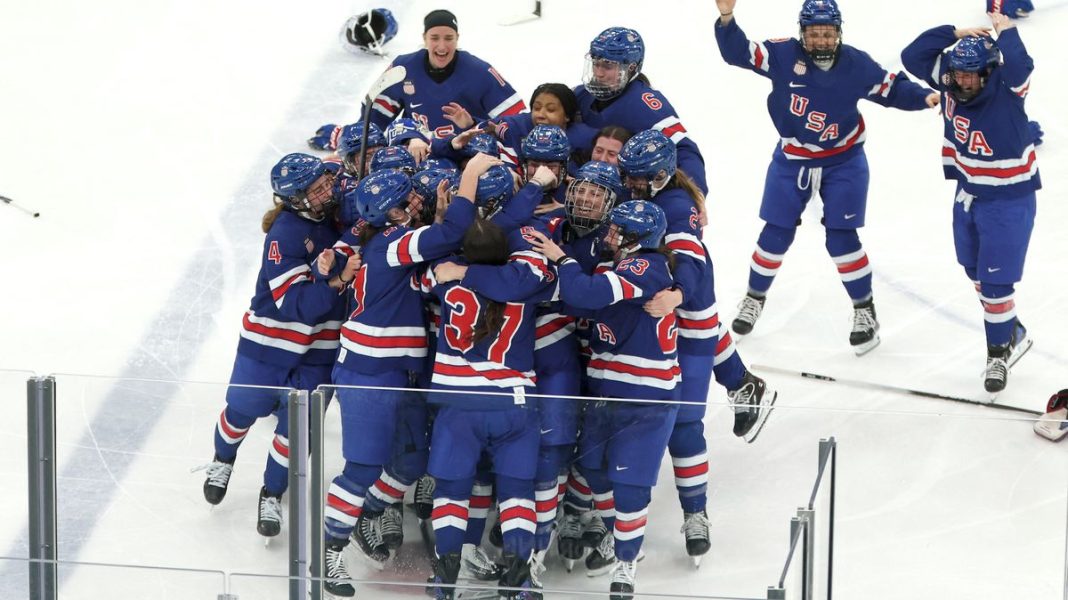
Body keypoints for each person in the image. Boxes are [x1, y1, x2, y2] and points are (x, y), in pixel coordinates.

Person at [715, 0, 939, 355]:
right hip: (792, 160)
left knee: (841, 239)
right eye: (815, 34)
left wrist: (924, 96)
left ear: (839, 33)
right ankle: (754, 298)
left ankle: (864, 309)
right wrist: (727, 19)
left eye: (828, 34)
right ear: (802, 33)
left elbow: (891, 88)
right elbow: (738, 53)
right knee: (775, 233)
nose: (821, 41)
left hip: (843, 161)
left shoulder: (856, 64)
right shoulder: (783, 55)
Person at [320, 156, 489, 597]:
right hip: (369, 372)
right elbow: (451, 234)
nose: (417, 196)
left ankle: (366, 515)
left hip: (401, 371)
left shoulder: (392, 242)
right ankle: (329, 551)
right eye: (408, 197)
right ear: (394, 212)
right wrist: (471, 175)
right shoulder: (392, 244)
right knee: (361, 467)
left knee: (412, 462)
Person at [198, 153, 357, 539]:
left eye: (325, 183)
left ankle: (272, 493)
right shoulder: (284, 235)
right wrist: (336, 283)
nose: (326, 191)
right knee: (242, 410)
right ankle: (223, 457)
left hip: (319, 348)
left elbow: (359, 200)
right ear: (296, 199)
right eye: (316, 189)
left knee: (297, 431)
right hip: (270, 341)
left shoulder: (336, 212)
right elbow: (295, 305)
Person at [530, 199, 679, 600]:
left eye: (618, 230)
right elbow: (574, 298)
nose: (610, 236)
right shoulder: (624, 267)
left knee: (629, 485)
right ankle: (623, 535)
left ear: (638, 238)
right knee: (593, 470)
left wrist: (561, 258)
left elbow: (588, 292)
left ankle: (627, 561)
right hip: (605, 393)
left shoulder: (646, 266)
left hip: (644, 400)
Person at [901, 11, 1038, 394]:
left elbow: (1022, 65)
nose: (962, 81)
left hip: (1008, 198)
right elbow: (912, 55)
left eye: (970, 75)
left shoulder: (1006, 88)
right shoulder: (952, 78)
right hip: (968, 193)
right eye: (957, 74)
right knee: (973, 270)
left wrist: (1006, 32)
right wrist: (955, 32)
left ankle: (999, 353)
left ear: (989, 72)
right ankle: (1012, 328)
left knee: (996, 284)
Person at [574, 27, 709, 195]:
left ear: (630, 67)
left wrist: (695, 195)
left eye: (607, 66)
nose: (598, 73)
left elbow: (684, 150)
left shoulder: (648, 107)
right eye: (596, 63)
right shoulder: (581, 95)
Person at [363, 9, 526, 139]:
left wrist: (475, 126)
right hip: (416, 157)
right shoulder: (402, 68)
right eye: (434, 38)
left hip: (466, 156)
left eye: (449, 38)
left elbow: (516, 122)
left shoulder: (480, 72)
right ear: (424, 38)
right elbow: (371, 119)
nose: (442, 46)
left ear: (457, 38)